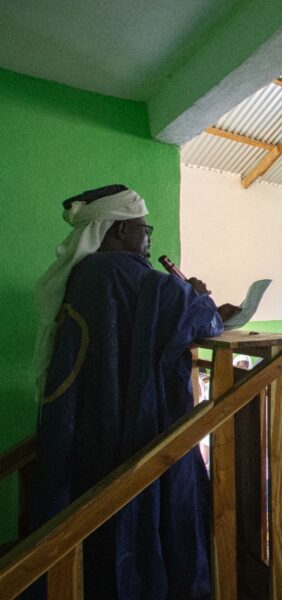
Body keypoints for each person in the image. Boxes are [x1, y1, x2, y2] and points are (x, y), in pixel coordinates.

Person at [31, 185, 241, 598]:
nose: (148, 241)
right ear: (121, 230)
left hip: (94, 427)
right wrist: (198, 297)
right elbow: (195, 321)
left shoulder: (86, 274)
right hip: (133, 431)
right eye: (144, 231)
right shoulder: (119, 272)